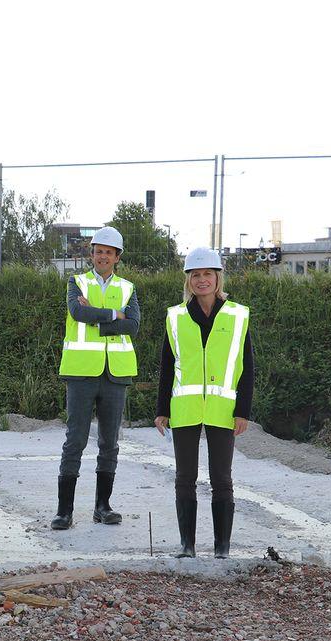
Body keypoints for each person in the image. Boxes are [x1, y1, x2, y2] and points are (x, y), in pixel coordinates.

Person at [154, 247, 253, 559]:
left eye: (207, 274)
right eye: (195, 275)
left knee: (222, 478)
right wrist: (161, 410)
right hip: (184, 407)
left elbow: (247, 367)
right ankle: (188, 546)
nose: (201, 280)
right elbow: (167, 365)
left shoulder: (237, 315)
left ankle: (222, 548)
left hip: (224, 409)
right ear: (188, 280)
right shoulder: (175, 317)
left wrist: (243, 411)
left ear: (217, 278)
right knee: (185, 478)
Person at [51, 226, 140, 530]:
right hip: (81, 372)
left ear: (117, 257)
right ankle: (64, 511)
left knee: (109, 442)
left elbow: (134, 326)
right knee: (75, 440)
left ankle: (103, 507)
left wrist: (101, 317)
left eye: (108, 252)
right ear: (92, 254)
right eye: (98, 251)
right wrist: (116, 315)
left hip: (115, 374)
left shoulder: (128, 288)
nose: (102, 256)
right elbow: (77, 312)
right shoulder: (76, 283)